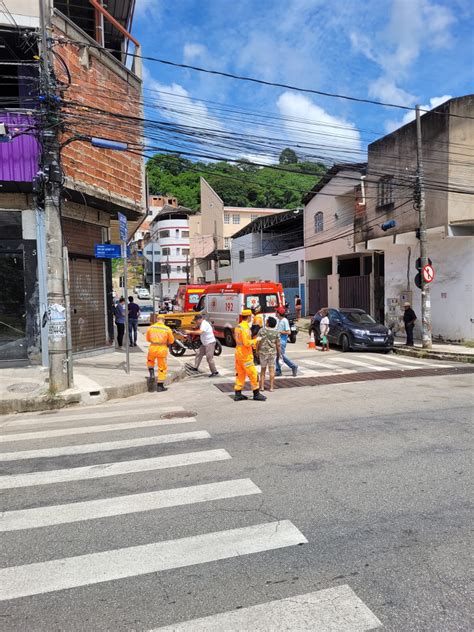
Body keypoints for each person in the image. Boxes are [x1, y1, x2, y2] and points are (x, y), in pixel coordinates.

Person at [234, 309, 266, 401]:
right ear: (248, 317)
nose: (251, 318)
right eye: (251, 317)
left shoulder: (238, 326)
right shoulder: (245, 328)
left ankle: (238, 393)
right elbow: (246, 343)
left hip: (239, 354)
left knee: (240, 374)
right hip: (245, 355)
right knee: (254, 374)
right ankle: (256, 393)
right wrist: (257, 340)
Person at [145, 314, 174, 392]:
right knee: (162, 367)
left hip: (152, 348)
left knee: (150, 361)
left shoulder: (151, 328)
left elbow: (147, 339)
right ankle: (160, 386)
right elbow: (171, 341)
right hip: (162, 349)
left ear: (157, 320)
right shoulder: (167, 329)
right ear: (164, 320)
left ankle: (151, 373)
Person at [256, 316, 281, 392]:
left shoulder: (261, 331)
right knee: (271, 369)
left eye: (267, 321)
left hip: (263, 352)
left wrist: (257, 351)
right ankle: (271, 387)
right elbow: (278, 344)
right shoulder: (276, 333)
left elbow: (258, 342)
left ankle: (262, 387)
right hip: (272, 353)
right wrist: (279, 354)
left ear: (268, 323)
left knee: (263, 369)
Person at [275, 306, 298, 377]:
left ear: (278, 313)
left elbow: (289, 332)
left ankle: (293, 366)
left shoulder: (284, 320)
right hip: (279, 340)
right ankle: (278, 370)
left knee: (281, 356)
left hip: (282, 341)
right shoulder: (280, 320)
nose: (275, 313)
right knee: (278, 356)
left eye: (276, 312)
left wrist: (280, 332)